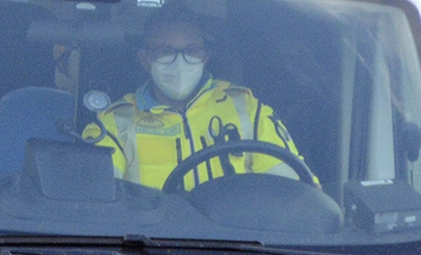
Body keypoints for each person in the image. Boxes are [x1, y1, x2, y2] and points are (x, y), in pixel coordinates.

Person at [83, 11, 306, 190]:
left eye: (191, 50)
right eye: (165, 50)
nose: (180, 60)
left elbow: (289, 191)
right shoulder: (114, 123)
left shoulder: (246, 108)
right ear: (145, 59)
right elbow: (95, 199)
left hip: (239, 242)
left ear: (205, 56)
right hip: (147, 242)